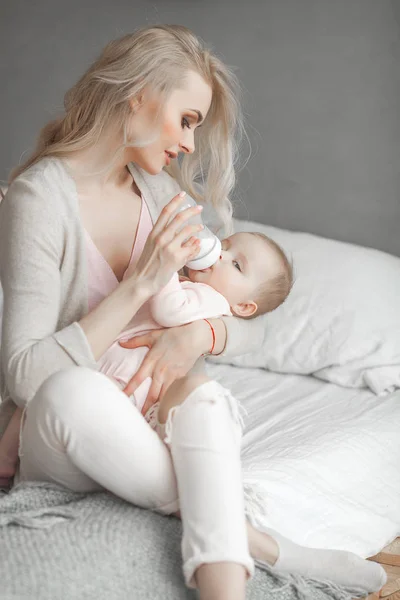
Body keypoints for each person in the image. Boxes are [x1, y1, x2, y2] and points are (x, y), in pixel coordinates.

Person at [0, 24, 386, 600]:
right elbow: (27, 377)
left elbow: (253, 331)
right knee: (71, 392)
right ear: (139, 95)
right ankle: (258, 542)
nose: (188, 143)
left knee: (203, 397)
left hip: (142, 419)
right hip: (64, 429)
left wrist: (201, 334)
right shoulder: (40, 198)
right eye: (187, 120)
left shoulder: (159, 195)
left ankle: (223, 580)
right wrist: (140, 285)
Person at [0, 228, 293, 474]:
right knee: (40, 399)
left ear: (243, 307)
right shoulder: (188, 283)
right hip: (106, 362)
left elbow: (170, 310)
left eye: (237, 265)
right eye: (225, 245)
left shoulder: (214, 302)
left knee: (85, 419)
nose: (221, 255)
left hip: (130, 378)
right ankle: (8, 462)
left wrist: (162, 268)